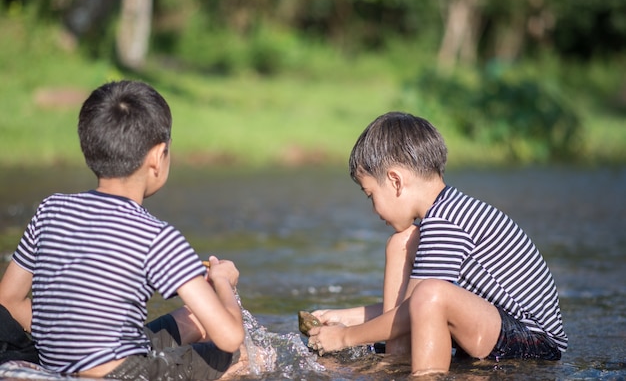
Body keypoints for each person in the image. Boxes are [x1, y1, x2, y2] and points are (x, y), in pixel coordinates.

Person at [0, 80, 245, 380]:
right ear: (157, 157)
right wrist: (223, 284)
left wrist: (67, 332)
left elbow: (8, 300)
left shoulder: (50, 208)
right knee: (238, 355)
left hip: (54, 364)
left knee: (194, 319)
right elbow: (230, 336)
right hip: (120, 373)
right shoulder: (157, 236)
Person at [307, 112, 568, 376]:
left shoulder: (445, 221)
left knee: (431, 293)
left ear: (395, 181)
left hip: (534, 344)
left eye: (370, 195)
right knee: (401, 244)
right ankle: (395, 366)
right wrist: (347, 317)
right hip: (495, 327)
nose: (374, 209)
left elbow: (420, 306)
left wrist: (345, 337)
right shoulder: (441, 214)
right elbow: (407, 309)